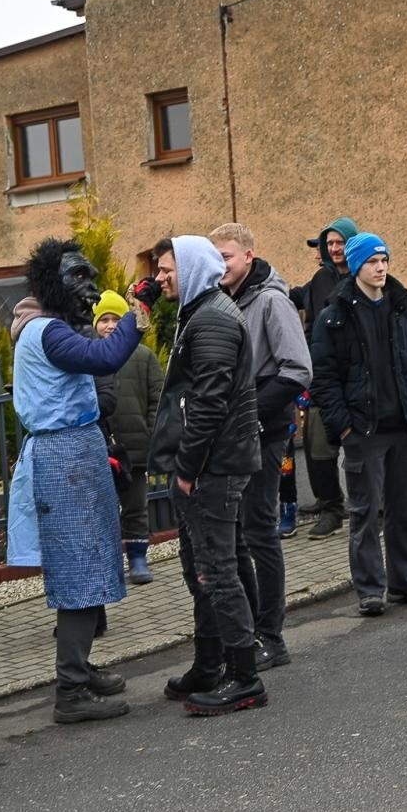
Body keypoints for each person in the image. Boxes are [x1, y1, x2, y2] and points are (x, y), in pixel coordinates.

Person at [8, 238, 144, 724]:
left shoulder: (45, 326)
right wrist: (137, 314)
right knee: (79, 572)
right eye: (78, 278)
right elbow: (106, 358)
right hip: (66, 456)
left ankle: (81, 669)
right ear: (52, 284)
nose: (89, 288)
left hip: (74, 451)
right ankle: (70, 690)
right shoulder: (47, 331)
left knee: (88, 563)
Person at [149, 236, 266, 714]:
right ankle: (209, 662)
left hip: (213, 467)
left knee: (216, 569)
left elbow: (208, 403)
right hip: (212, 463)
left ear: (191, 267)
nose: (158, 278)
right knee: (202, 565)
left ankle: (245, 677)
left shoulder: (213, 318)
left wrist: (187, 468)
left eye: (165, 269)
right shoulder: (201, 311)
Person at [309, 231, 407, 616]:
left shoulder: (402, 306)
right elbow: (324, 376)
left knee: (406, 507)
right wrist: (344, 426)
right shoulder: (334, 316)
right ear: (355, 266)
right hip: (363, 430)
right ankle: (370, 589)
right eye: (372, 261)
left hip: (405, 424)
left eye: (384, 260)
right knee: (365, 512)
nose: (380, 267)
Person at [210, 222, 312, 671]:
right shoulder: (225, 303)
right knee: (241, 536)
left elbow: (297, 370)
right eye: (215, 259)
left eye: (227, 257)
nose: (221, 266)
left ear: (248, 256)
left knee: (260, 532)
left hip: (266, 434)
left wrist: (250, 412)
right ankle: (249, 629)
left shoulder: (271, 300)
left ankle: (272, 635)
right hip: (234, 437)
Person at [94, 290, 163, 585]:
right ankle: (108, 563)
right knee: (102, 509)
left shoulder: (144, 357)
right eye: (104, 319)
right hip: (101, 449)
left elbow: (156, 399)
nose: (110, 325)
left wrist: (150, 432)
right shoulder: (89, 356)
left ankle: (137, 558)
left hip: (135, 448)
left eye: (116, 319)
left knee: (135, 505)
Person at [296, 216, 357, 538]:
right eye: (330, 243)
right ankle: (331, 507)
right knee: (319, 447)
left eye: (340, 242)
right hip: (324, 374)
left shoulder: (364, 275)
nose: (335, 248)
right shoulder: (322, 279)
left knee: (365, 448)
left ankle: (373, 507)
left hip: (358, 377)